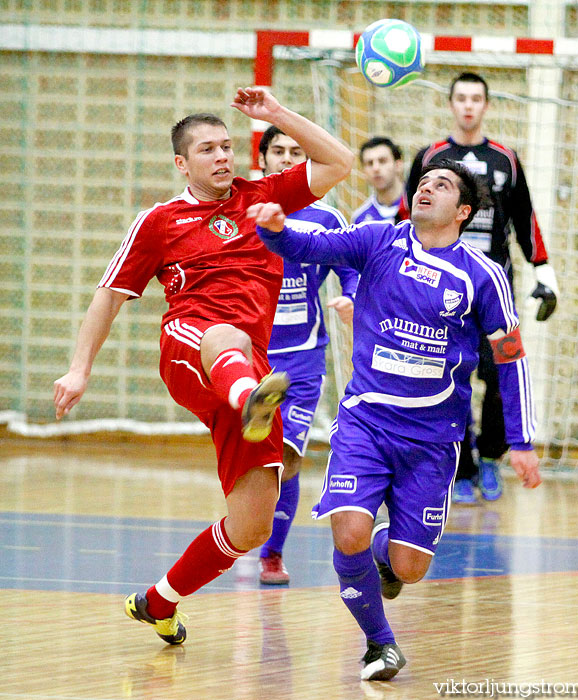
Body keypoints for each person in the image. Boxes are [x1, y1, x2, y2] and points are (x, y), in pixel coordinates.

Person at [53, 86, 353, 645]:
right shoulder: (159, 221)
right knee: (223, 335)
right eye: (208, 149)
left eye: (227, 146)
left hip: (248, 368)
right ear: (181, 162)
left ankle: (158, 601)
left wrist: (276, 115)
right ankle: (251, 400)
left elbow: (340, 161)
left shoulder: (263, 196)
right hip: (191, 347)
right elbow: (109, 295)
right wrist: (79, 369)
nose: (222, 157)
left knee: (252, 525)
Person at [248, 158, 542, 681]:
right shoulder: (380, 240)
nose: (427, 188)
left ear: (463, 211)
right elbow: (309, 247)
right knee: (348, 531)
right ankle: (380, 643)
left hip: (433, 439)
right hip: (366, 421)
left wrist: (519, 438)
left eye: (443, 185)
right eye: (424, 182)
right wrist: (276, 227)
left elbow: (510, 355)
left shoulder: (483, 276)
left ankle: (388, 546)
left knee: (408, 568)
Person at [406, 72, 558, 504]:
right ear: (451, 104)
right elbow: (407, 216)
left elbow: (526, 218)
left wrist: (544, 271)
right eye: (461, 98)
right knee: (448, 371)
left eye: (476, 99)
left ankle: (491, 458)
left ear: (486, 105)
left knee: (498, 371)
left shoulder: (505, 159)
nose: (468, 106)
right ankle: (462, 466)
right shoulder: (431, 157)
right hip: (439, 286)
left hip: (493, 286)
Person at [257, 125, 359, 584]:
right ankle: (249, 530)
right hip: (251, 353)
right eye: (277, 151)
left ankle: (272, 554)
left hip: (301, 357)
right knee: (258, 465)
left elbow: (350, 268)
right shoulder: (243, 214)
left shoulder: (326, 219)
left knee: (289, 453)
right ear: (262, 160)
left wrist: (352, 299)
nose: (286, 158)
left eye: (296, 151)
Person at [352, 137, 406, 224]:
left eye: (382, 161)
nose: (375, 168)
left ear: (398, 165)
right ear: (363, 171)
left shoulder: (418, 205)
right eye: (370, 163)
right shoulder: (360, 218)